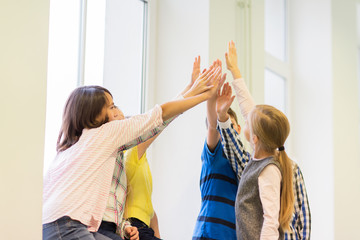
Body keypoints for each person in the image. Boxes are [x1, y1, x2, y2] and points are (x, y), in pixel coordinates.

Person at [42, 64, 223, 240]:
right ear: (95, 115)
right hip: (69, 225)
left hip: (50, 224)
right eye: (112, 107)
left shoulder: (70, 149)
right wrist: (203, 95)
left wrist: (124, 226)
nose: (118, 111)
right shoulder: (104, 133)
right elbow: (158, 117)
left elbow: (156, 121)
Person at [216, 41, 311, 239]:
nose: (245, 119)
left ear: (255, 138)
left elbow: (272, 220)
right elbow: (250, 111)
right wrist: (235, 71)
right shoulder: (260, 159)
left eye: (248, 123)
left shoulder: (270, 169)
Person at [122, 57, 206, 240]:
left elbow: (149, 209)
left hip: (145, 228)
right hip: (135, 228)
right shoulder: (131, 152)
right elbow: (162, 118)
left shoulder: (139, 158)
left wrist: (190, 86)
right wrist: (193, 91)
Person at [192, 59, 240, 240]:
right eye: (223, 128)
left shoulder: (245, 159)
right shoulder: (215, 153)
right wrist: (212, 96)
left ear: (239, 129)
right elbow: (213, 125)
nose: (225, 132)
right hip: (209, 233)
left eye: (230, 126)